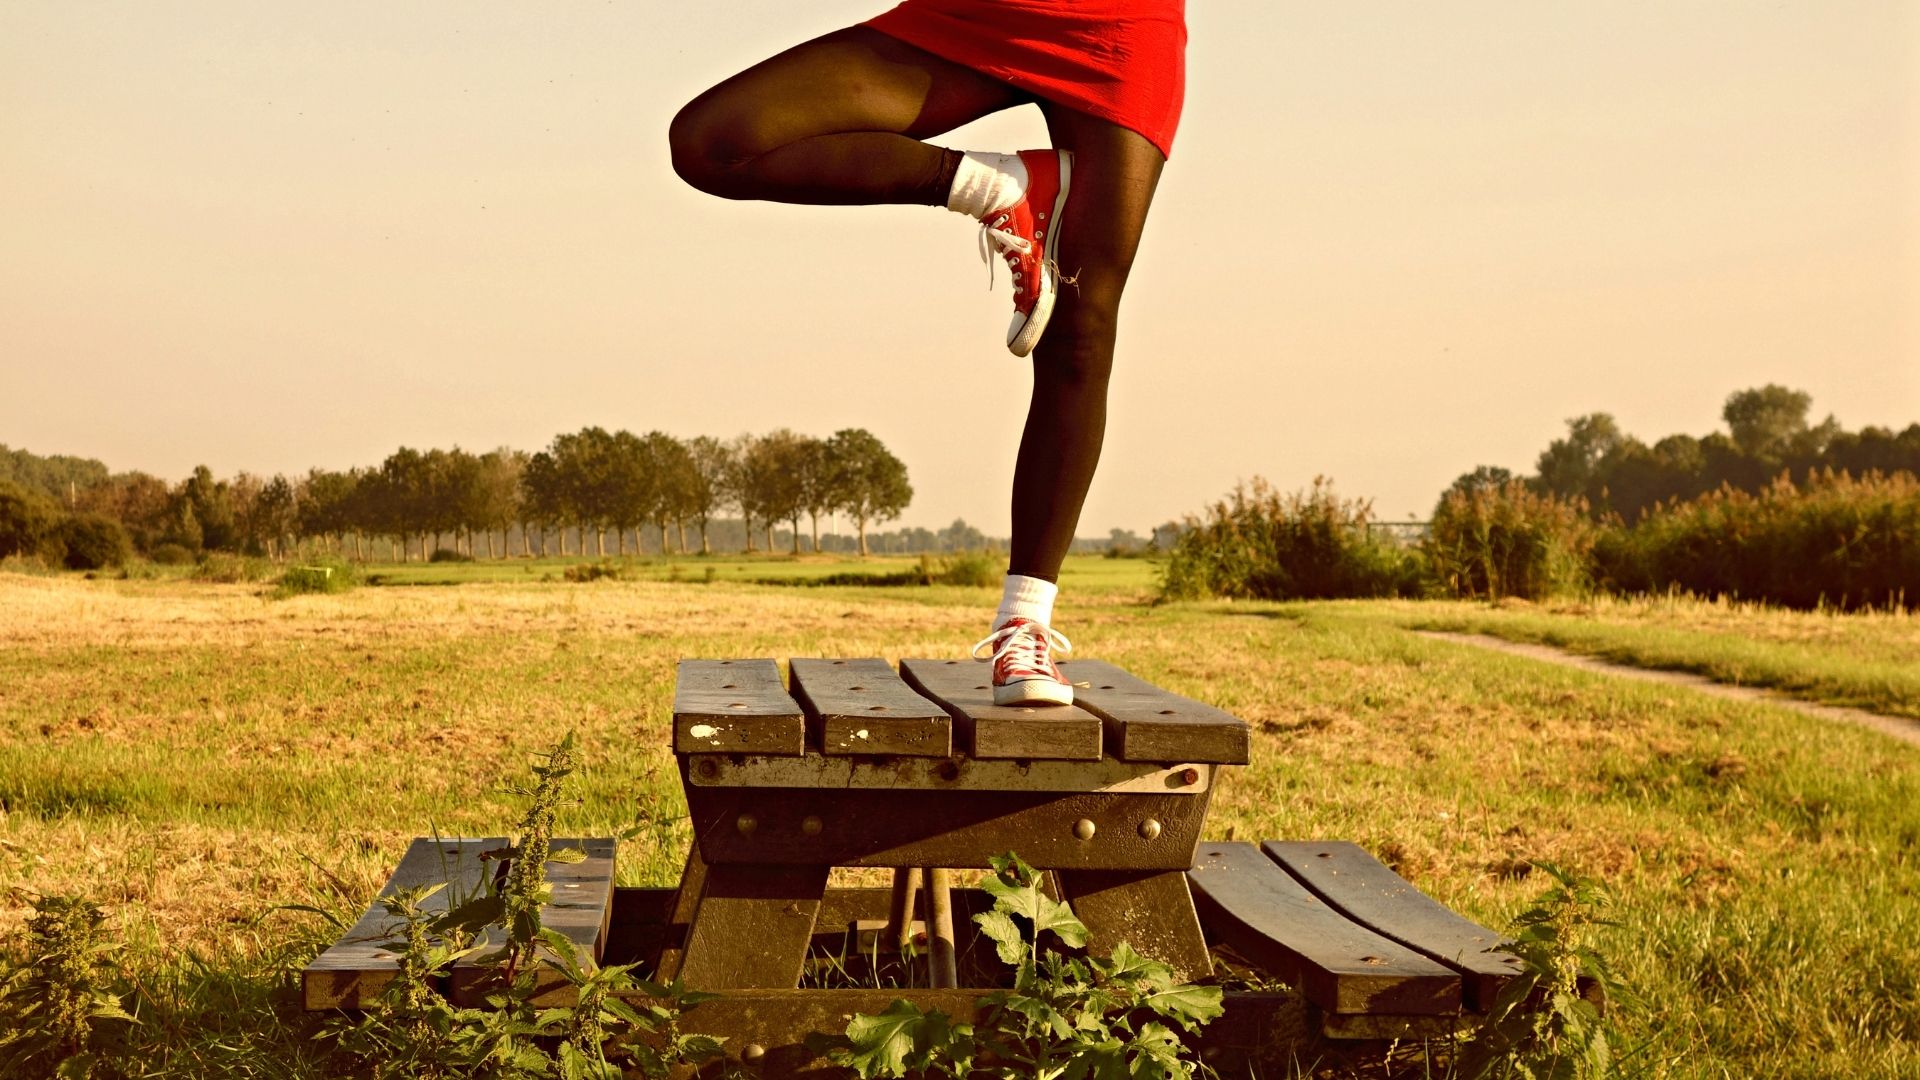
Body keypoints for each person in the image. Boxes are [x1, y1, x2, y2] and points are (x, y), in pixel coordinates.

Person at [669, 1, 1185, 706]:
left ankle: (1024, 627)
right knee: (714, 142)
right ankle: (995, 187)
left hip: (1121, 28)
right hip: (983, 11)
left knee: (1081, 326)